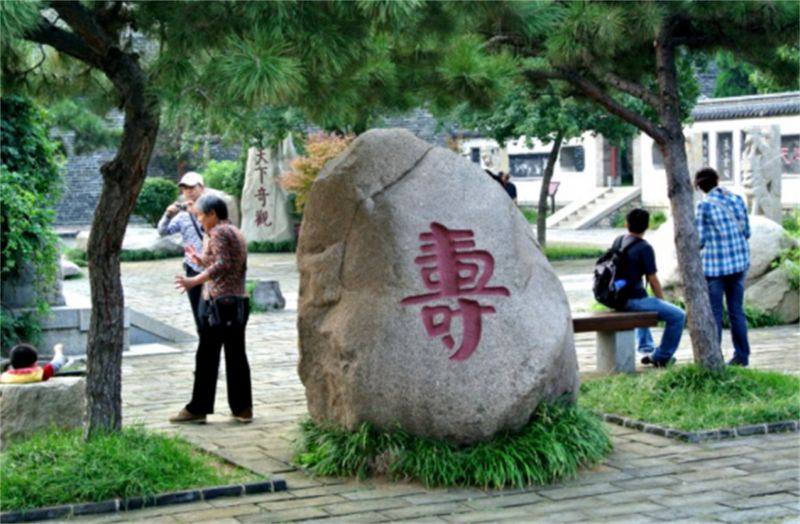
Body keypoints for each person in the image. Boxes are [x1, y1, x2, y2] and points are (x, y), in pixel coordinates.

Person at [171, 194, 253, 424]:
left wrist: (194, 280)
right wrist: (200, 260)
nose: (199, 221)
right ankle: (242, 408)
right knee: (236, 356)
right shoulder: (232, 230)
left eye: (200, 216)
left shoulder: (219, 232)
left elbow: (223, 264)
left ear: (213, 214)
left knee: (207, 356)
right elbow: (226, 263)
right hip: (236, 302)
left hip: (220, 304)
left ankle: (198, 408)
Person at [694, 167, 752, 366]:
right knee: (737, 311)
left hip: (715, 268)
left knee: (715, 313)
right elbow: (747, 232)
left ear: (699, 186)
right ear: (717, 180)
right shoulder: (736, 199)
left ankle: (714, 358)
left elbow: (700, 240)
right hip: (739, 264)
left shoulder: (704, 206)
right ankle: (742, 356)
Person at [617, 208, 686, 367]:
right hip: (631, 300)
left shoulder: (619, 241)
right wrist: (662, 301)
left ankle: (646, 348)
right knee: (678, 315)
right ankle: (661, 356)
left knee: (644, 301)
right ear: (647, 226)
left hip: (614, 297)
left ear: (626, 224)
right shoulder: (645, 248)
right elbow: (653, 280)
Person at [158, 171, 206, 331]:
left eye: (192, 187)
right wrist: (167, 215)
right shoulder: (181, 215)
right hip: (193, 268)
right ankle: (204, 341)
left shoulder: (211, 208)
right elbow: (163, 231)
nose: (188, 191)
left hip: (212, 267)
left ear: (202, 188)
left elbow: (216, 230)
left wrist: (197, 213)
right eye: (185, 188)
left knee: (212, 312)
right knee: (198, 313)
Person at [1, 343, 66, 384]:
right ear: (33, 363)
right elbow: (57, 362)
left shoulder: (4, 377)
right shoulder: (40, 374)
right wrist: (58, 351)